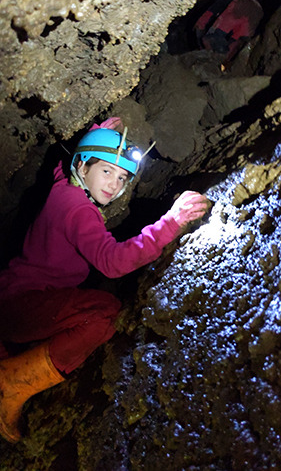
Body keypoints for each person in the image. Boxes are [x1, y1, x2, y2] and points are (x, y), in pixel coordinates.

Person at [0, 117, 209, 444]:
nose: (115, 184)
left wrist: (96, 134)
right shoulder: (78, 210)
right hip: (21, 305)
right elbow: (112, 263)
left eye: (123, 177)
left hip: (10, 298)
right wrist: (170, 223)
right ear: (83, 168)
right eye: (107, 171)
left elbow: (61, 165)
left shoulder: (63, 187)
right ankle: (12, 384)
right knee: (104, 314)